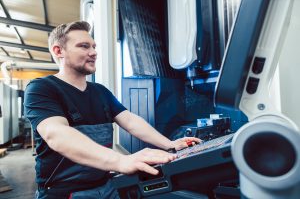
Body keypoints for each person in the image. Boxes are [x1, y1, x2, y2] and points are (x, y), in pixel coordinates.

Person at [24, 21, 200, 199]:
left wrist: (169, 144)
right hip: (64, 193)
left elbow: (131, 122)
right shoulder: (41, 88)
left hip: (106, 188)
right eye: (84, 46)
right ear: (58, 51)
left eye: (93, 46)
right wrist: (121, 160)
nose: (93, 52)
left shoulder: (100, 91)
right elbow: (57, 134)